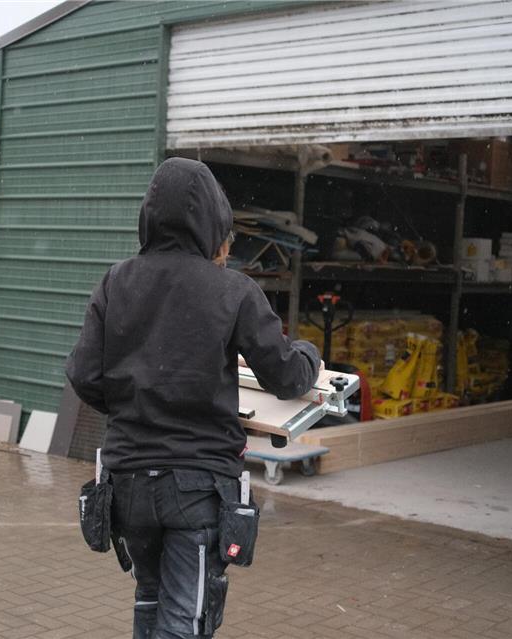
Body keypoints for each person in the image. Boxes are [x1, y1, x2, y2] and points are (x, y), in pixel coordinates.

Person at [66, 157, 321, 639]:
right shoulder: (233, 290)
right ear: (212, 224)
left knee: (150, 599)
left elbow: (83, 374)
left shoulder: (116, 281)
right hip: (197, 488)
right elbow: (286, 376)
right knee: (185, 619)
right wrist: (310, 355)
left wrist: (136, 405)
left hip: (129, 484)